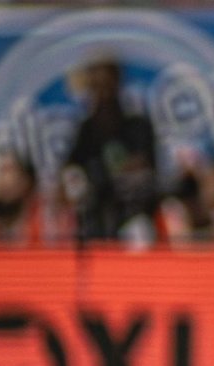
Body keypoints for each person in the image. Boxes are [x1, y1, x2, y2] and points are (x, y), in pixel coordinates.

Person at [61, 56, 158, 246]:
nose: (103, 93)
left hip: (134, 214)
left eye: (107, 84)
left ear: (117, 84)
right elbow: (71, 172)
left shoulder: (137, 126)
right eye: (96, 86)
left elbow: (141, 166)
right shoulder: (86, 130)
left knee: (139, 231)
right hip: (96, 217)